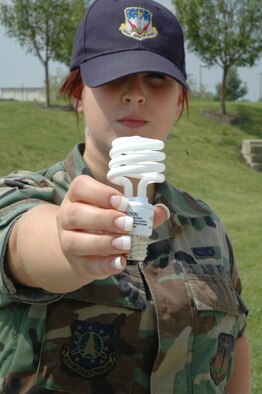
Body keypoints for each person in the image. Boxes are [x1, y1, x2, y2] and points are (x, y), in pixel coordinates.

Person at [0, 0, 250, 393]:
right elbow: (26, 243)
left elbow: (233, 350)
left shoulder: (209, 228)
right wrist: (68, 247)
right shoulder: (22, 197)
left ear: (180, 99)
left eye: (156, 77)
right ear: (78, 93)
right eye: (114, 76)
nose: (135, 94)